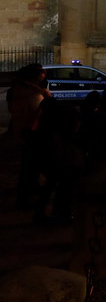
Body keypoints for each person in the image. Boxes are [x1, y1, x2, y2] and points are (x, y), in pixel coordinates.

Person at [7, 63, 49, 209]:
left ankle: (29, 191)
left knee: (29, 165)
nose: (42, 81)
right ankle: (26, 196)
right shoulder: (33, 94)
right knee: (30, 166)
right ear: (33, 78)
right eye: (40, 78)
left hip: (23, 131)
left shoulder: (17, 90)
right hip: (31, 133)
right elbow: (40, 114)